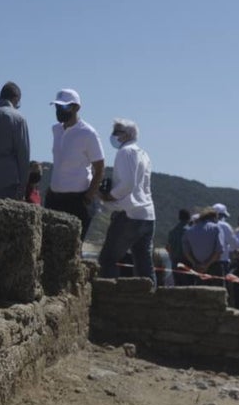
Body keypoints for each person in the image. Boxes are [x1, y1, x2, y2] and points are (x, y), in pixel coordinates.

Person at [96, 119, 155, 283]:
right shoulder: (143, 154)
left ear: (127, 135)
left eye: (117, 132)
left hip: (129, 213)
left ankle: (109, 299)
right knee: (144, 265)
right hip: (147, 215)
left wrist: (108, 196)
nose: (113, 136)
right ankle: (150, 301)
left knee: (107, 259)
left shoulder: (125, 152)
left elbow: (128, 183)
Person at [43, 89, 105, 242]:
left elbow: (100, 167)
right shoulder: (56, 130)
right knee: (49, 246)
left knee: (72, 247)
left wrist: (89, 196)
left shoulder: (88, 133)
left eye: (64, 107)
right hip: (54, 199)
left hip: (77, 201)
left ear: (76, 108)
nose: (59, 111)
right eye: (57, 107)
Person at [181, 207, 224, 284]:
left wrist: (195, 263)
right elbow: (219, 251)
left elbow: (186, 252)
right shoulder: (216, 228)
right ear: (213, 217)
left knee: (200, 292)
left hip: (197, 267)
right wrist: (207, 265)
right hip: (214, 267)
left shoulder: (189, 230)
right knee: (217, 293)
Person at [166, 208, 193, 286]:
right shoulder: (189, 231)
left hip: (174, 261)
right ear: (189, 218)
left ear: (179, 218)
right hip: (187, 261)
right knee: (188, 285)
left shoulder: (172, 231)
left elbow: (168, 247)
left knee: (178, 285)